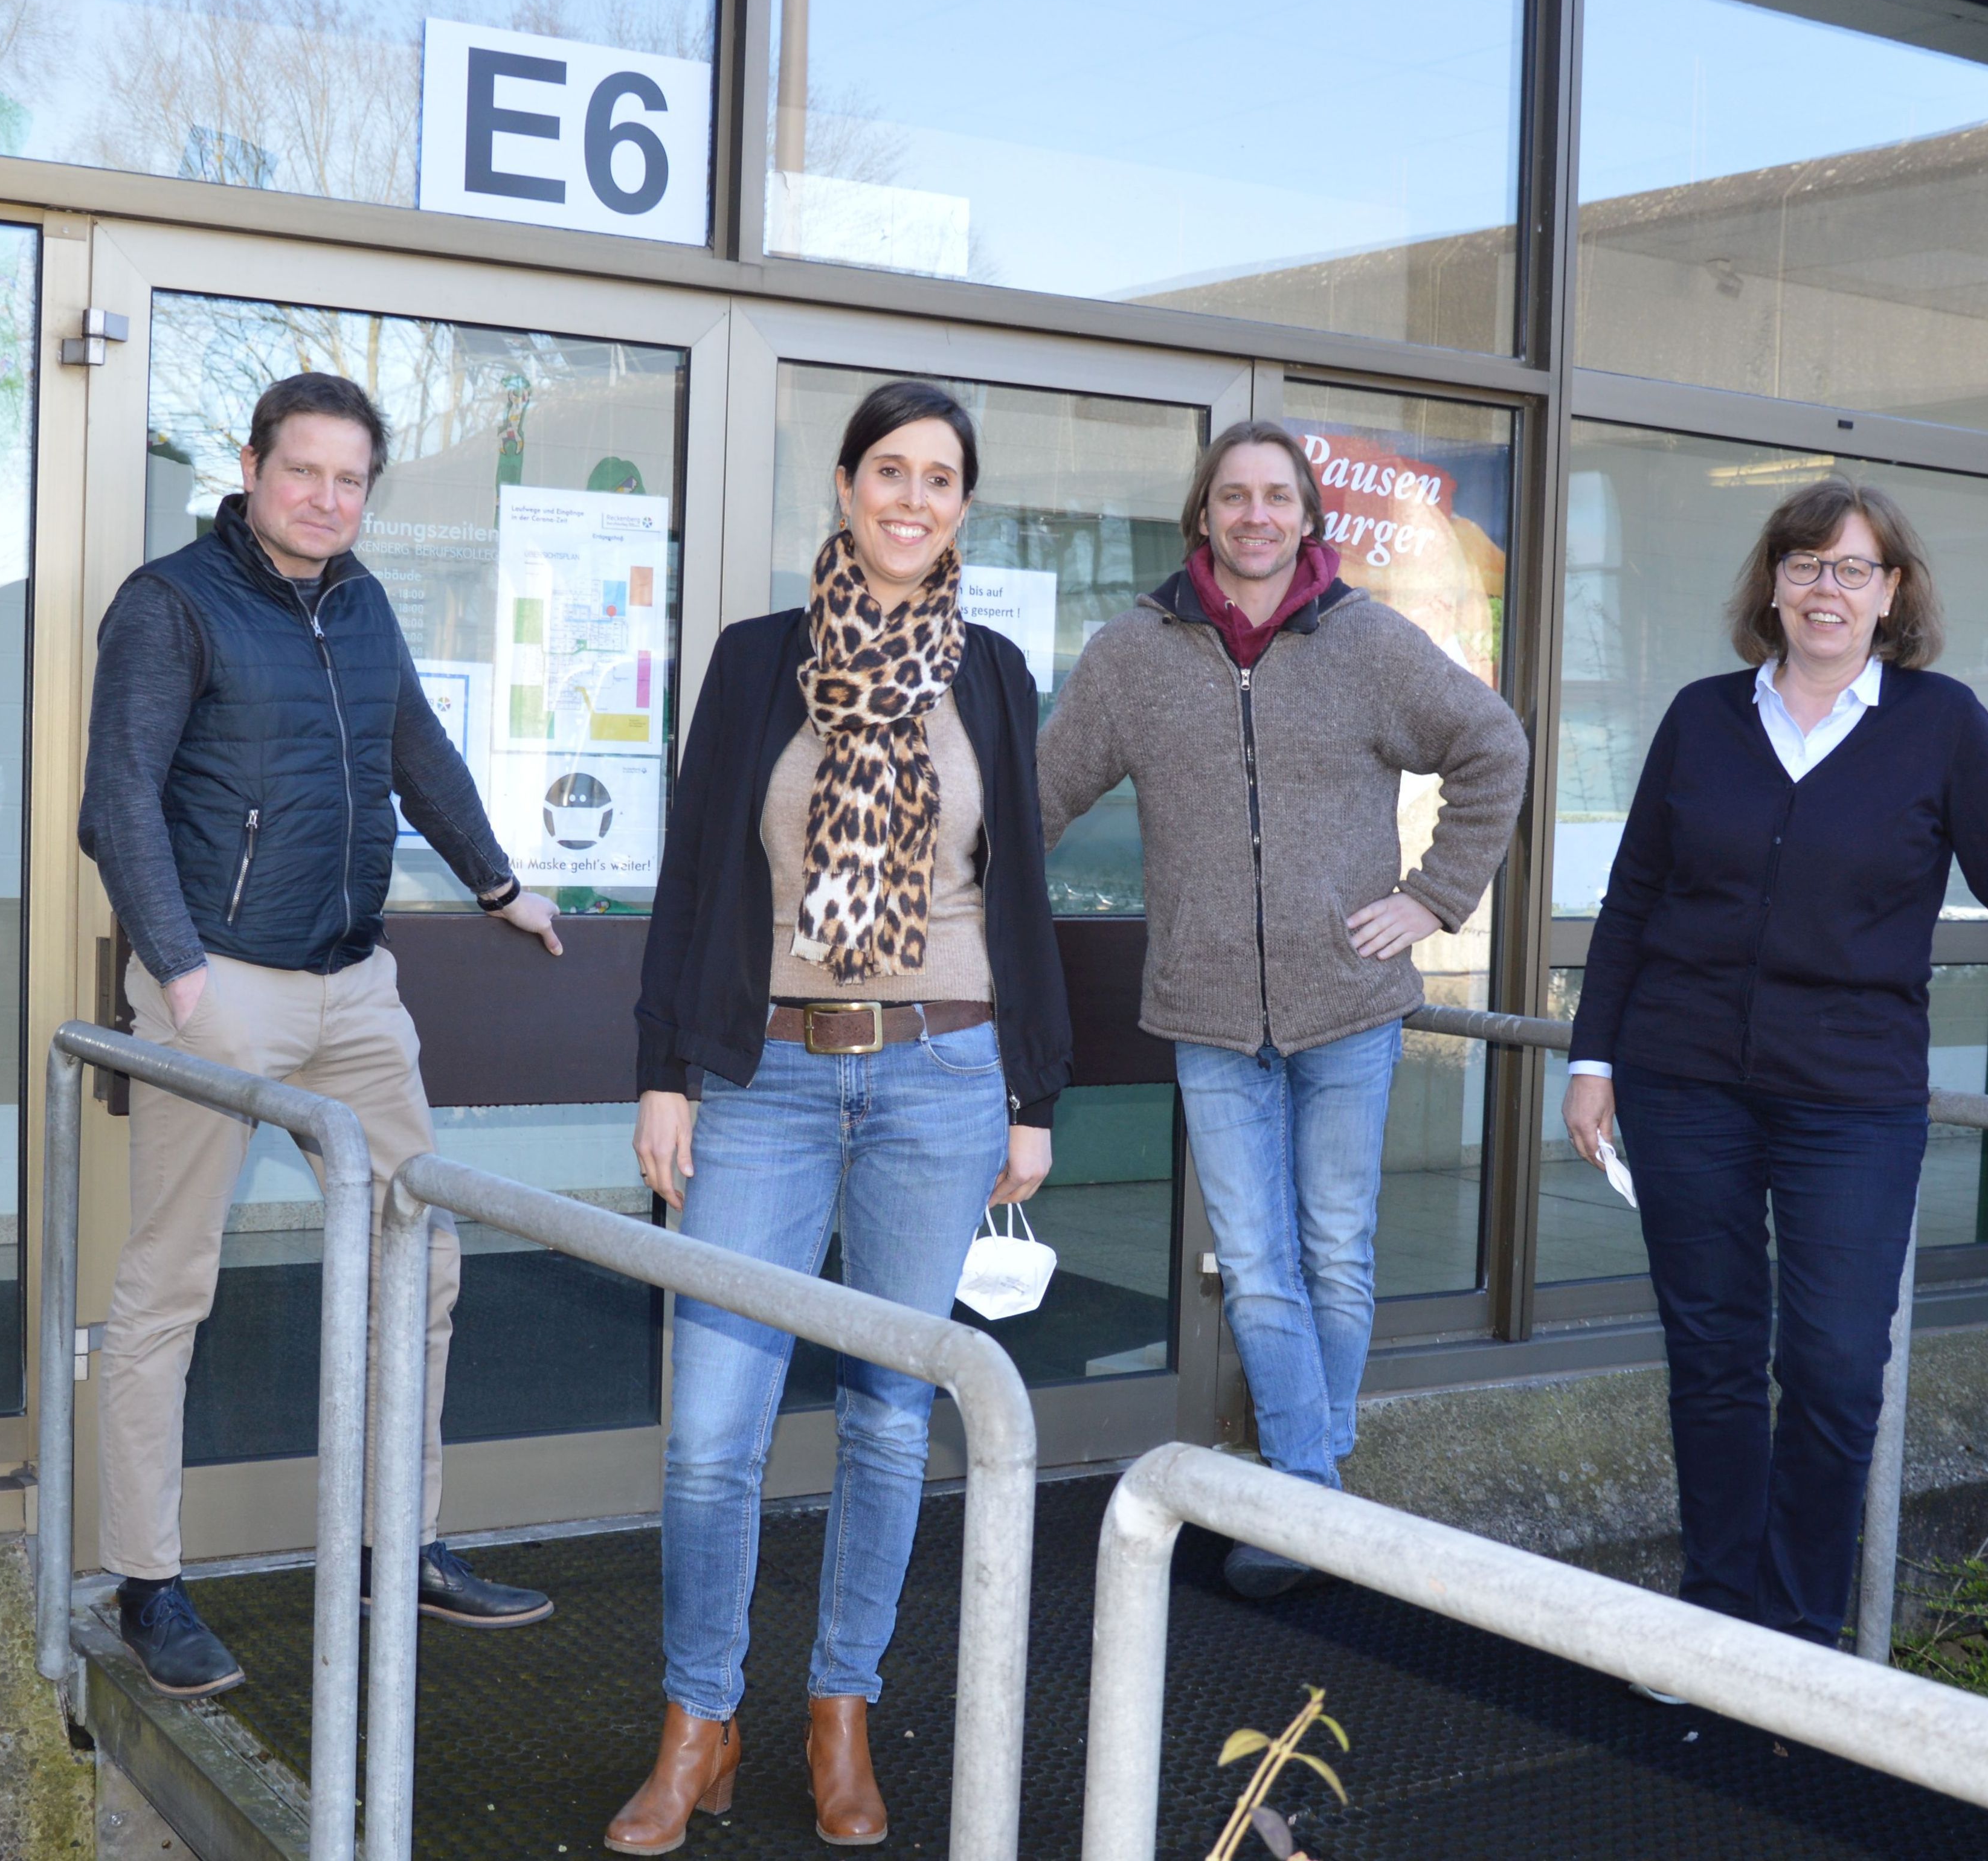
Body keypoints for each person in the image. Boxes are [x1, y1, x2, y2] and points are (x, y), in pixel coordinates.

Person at [617, 380, 1069, 1853]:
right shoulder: (756, 664)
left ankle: (839, 1713)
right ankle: (701, 1720)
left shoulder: (992, 674)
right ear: (843, 484)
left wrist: (1032, 1095)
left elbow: (1021, 897)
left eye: (943, 479)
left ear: (961, 507)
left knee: (886, 1425)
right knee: (712, 1431)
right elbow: (695, 882)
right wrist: (666, 1072)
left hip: (945, 1075)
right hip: (765, 1078)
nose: (915, 498)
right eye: (893, 469)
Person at [79, 372, 565, 1699]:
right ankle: (148, 1583)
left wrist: (499, 881)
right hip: (219, 986)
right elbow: (116, 804)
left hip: (355, 991)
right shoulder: (172, 603)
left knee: (423, 1257)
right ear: (252, 467)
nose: (328, 499)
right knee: (171, 1286)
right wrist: (183, 984)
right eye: (306, 473)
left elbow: (416, 747)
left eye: (352, 480)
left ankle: (393, 1540)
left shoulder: (361, 603)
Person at [1560, 476, 1988, 1667]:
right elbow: (1636, 895)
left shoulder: (1939, 724)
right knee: (1709, 1357)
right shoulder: (1707, 717)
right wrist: (1593, 1057)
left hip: (1851, 1097)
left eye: (1853, 569)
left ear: (1892, 591)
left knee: (1836, 1365)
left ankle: (1798, 1638)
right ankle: (1716, 1617)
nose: (1826, 589)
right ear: (1773, 583)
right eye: (1805, 565)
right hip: (1685, 1078)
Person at [1038, 420, 1527, 1598]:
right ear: (1203, 516)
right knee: (1256, 1266)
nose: (1256, 516)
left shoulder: (1367, 644)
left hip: (1348, 1007)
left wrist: (1433, 899)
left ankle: (1300, 1483)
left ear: (1309, 518)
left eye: (1277, 498)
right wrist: (955, 900)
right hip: (1210, 1015)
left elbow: (1491, 745)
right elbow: (1040, 794)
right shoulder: (1133, 657)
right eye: (1234, 497)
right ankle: (1310, 1489)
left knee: (1335, 1255)